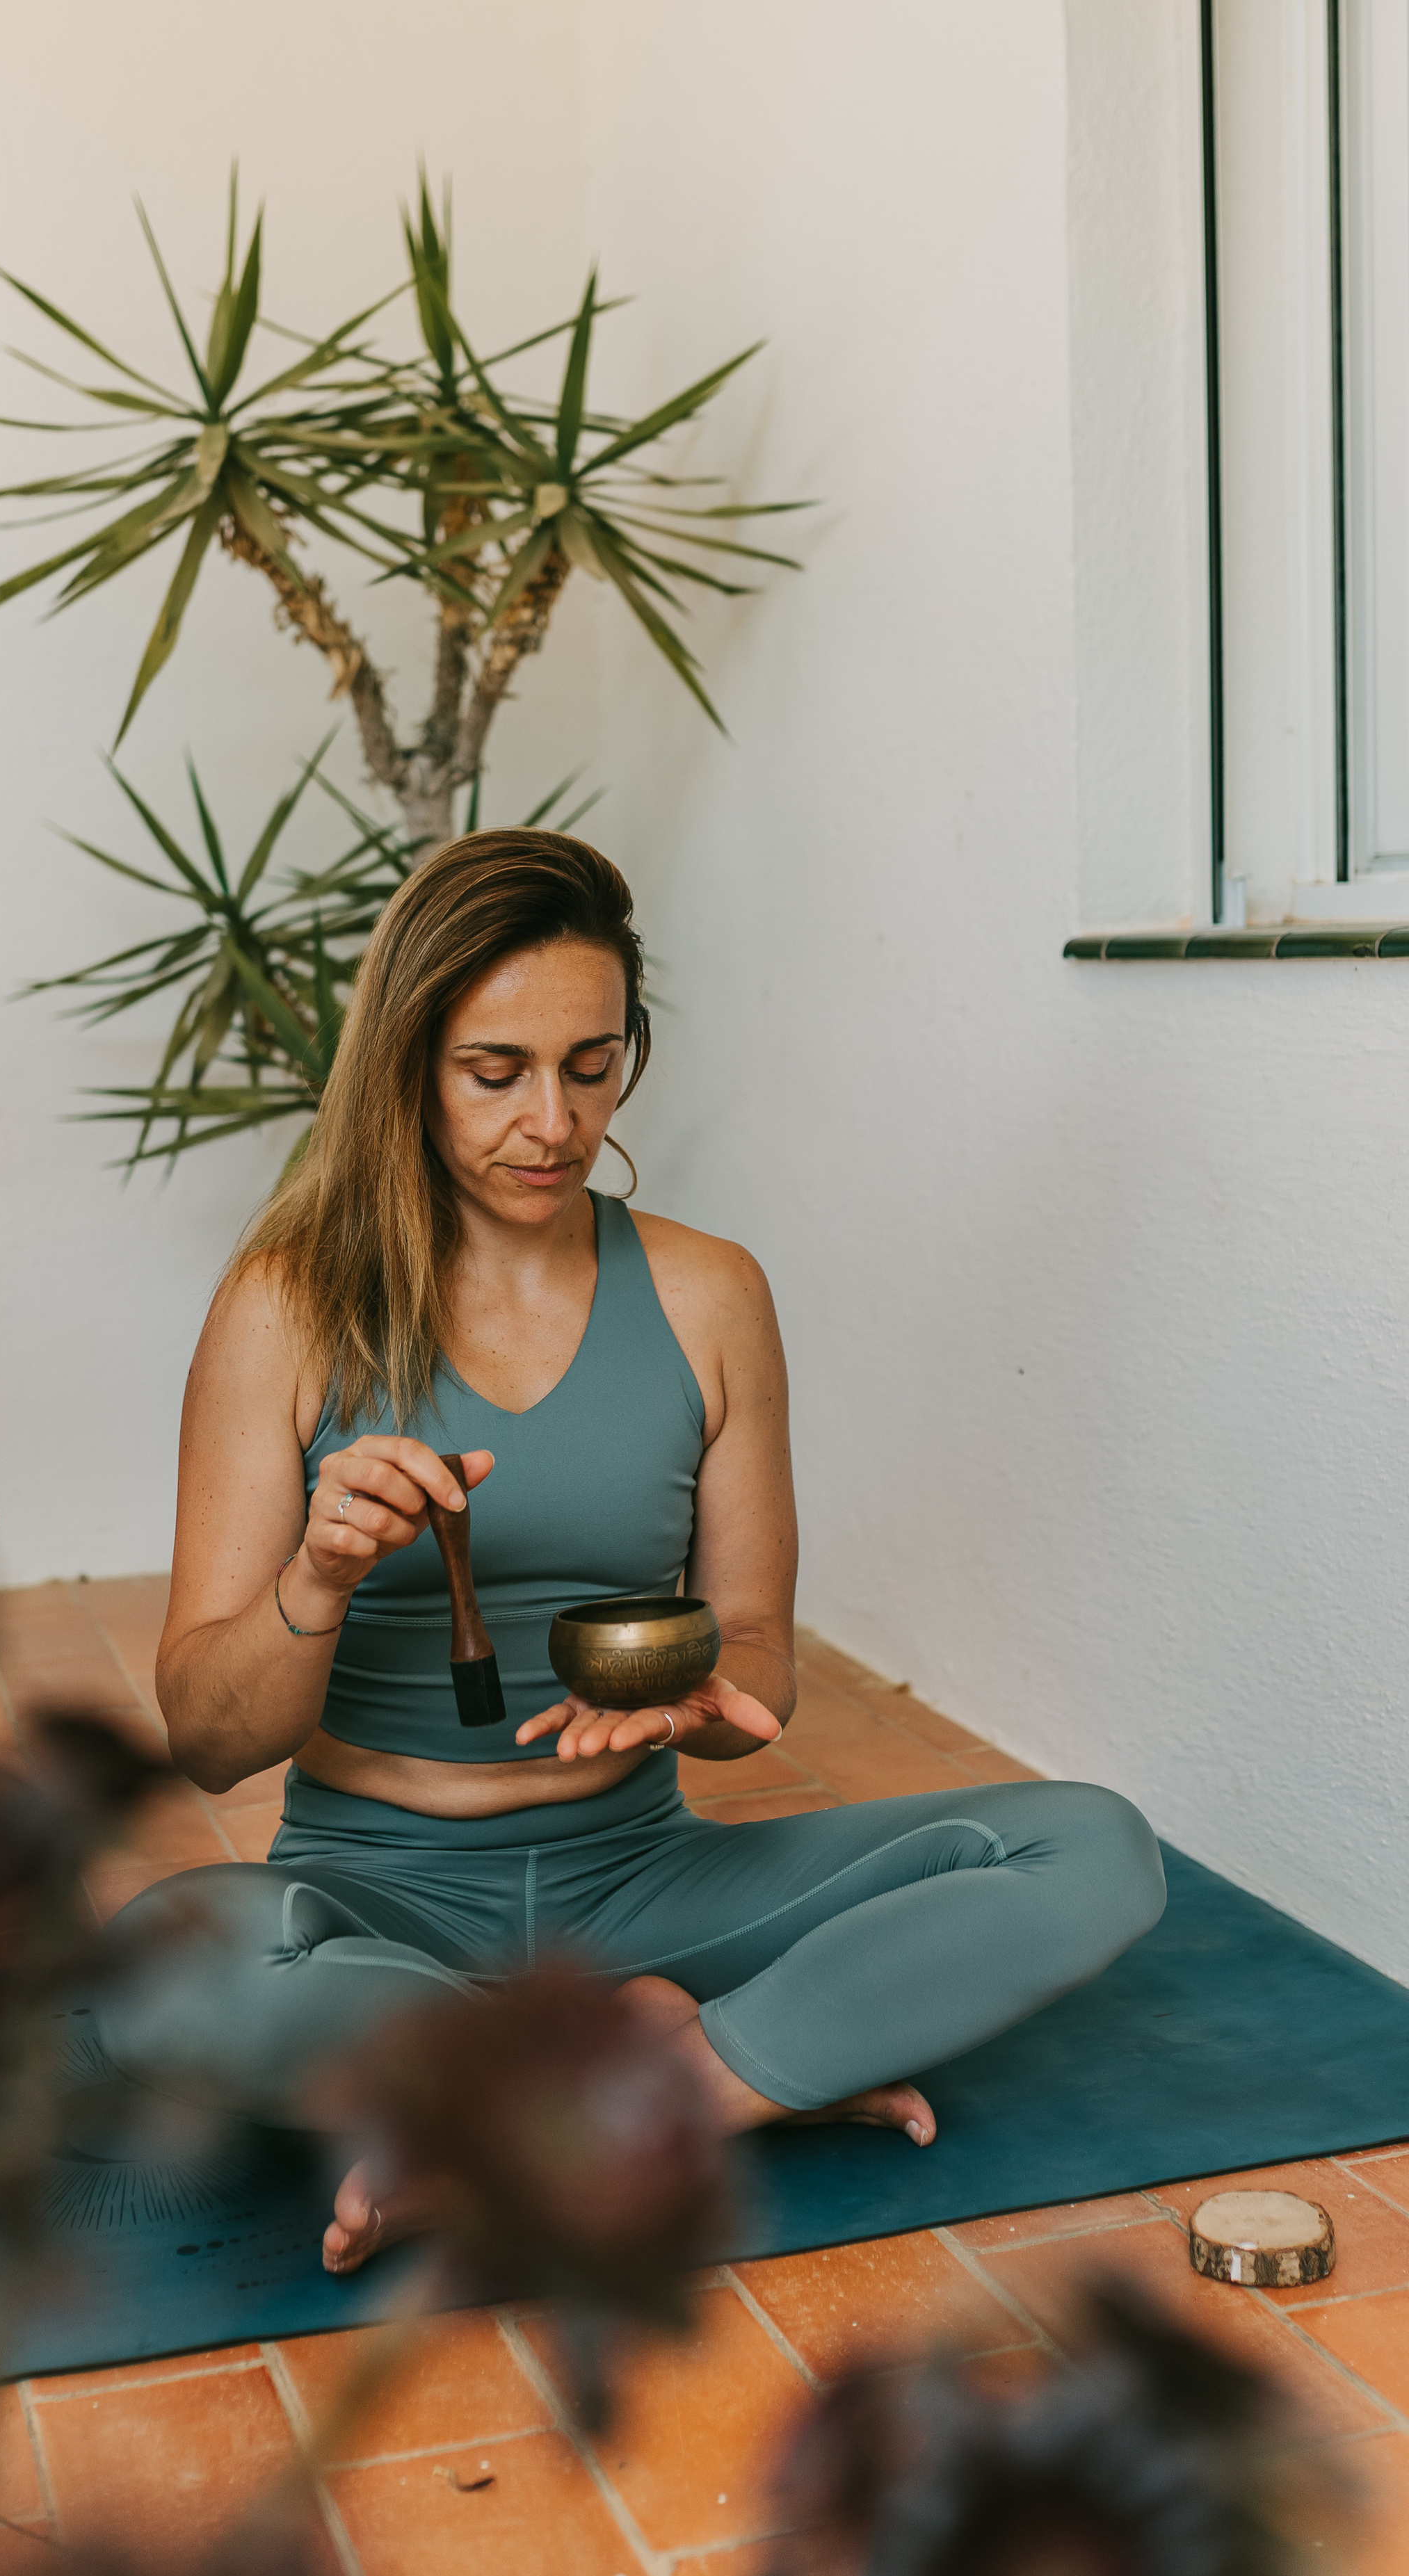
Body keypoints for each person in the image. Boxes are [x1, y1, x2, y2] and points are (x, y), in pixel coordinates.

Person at [103, 831, 1166, 2276]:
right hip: (371, 1894)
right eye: (495, 1073)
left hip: (642, 1879)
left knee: (1087, 1846)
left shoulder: (709, 1296)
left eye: (591, 1066)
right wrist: (314, 1581)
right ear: (406, 1062)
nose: (552, 1120)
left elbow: (755, 1655)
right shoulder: (285, 1309)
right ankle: (685, 2062)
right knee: (166, 1960)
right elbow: (207, 1742)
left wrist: (713, 1701)